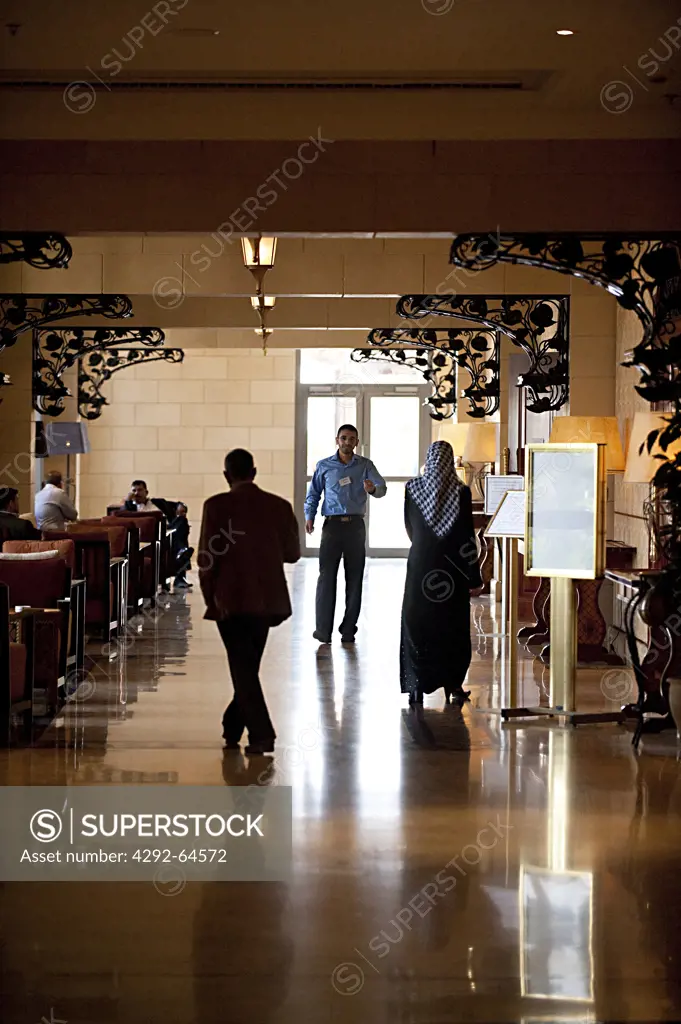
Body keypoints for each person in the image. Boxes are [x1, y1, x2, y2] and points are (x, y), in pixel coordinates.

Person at [199, 449, 300, 755]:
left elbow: (207, 559)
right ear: (254, 472)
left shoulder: (216, 506)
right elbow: (292, 554)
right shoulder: (279, 506)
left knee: (243, 668)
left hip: (229, 599)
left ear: (227, 475)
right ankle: (232, 724)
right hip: (267, 600)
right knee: (247, 666)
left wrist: (211, 599)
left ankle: (262, 734)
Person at [400, 440, 483, 707]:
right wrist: (473, 576)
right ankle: (454, 685)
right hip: (452, 570)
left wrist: (425, 544)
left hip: (420, 566)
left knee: (417, 622)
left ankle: (416, 684)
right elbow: (467, 538)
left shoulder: (412, 489)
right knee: (452, 626)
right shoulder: (461, 491)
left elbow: (409, 526)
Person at [304, 423, 386, 645]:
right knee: (326, 578)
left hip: (355, 527)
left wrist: (373, 489)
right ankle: (323, 630)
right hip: (332, 527)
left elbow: (382, 488)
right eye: (343, 438)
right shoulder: (324, 466)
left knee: (355, 578)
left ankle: (348, 629)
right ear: (337, 440)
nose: (347, 442)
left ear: (357, 442)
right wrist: (309, 516)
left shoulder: (365, 465)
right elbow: (313, 494)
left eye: (351, 439)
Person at [170, 501, 194, 589]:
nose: (183, 514)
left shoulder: (179, 520)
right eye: (181, 511)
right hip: (172, 543)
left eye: (184, 512)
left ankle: (182, 551)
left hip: (176, 542)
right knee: (182, 549)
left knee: (183, 547)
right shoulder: (179, 519)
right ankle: (180, 578)